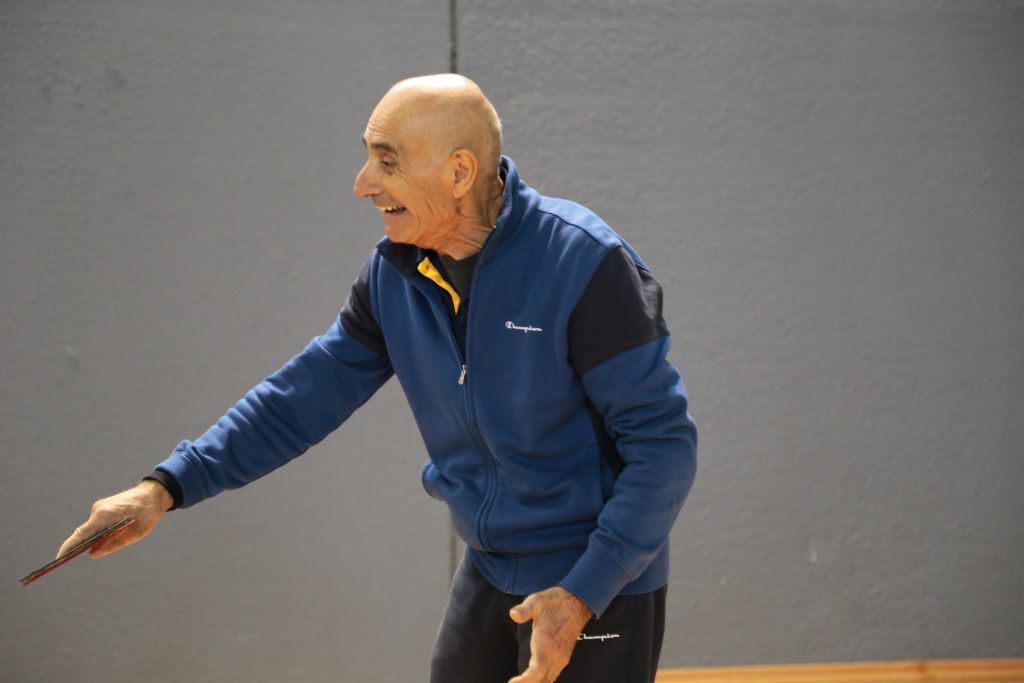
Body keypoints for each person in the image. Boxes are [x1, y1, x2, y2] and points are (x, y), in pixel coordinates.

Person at [58, 74, 697, 683]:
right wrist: (165, 487)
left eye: (387, 162)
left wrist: (584, 592)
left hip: (597, 578)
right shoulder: (397, 273)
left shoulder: (583, 265)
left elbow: (663, 447)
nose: (363, 183)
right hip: (490, 566)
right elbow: (301, 398)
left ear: (459, 173)